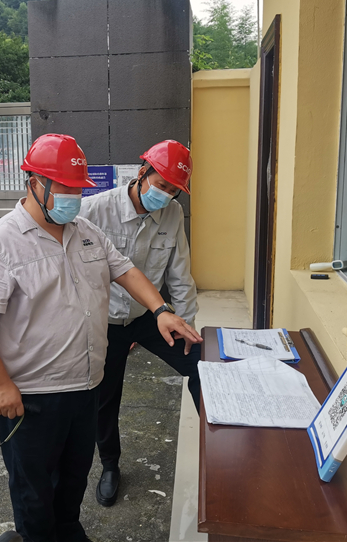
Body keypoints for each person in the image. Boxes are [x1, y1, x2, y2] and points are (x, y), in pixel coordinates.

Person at [0, 134, 202, 542]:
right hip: (33, 396)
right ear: (34, 183)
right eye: (65, 188)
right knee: (34, 492)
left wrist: (161, 311)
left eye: (77, 188)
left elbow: (127, 271)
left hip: (84, 385)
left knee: (73, 478)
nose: (73, 197)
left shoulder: (85, 231)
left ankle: (69, 529)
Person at [78, 139, 200, 507]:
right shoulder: (95, 210)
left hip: (151, 316)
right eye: (161, 185)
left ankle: (219, 447)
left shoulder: (173, 214)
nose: (166, 195)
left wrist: (186, 324)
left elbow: (180, 274)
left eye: (174, 190)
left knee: (201, 365)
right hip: (106, 323)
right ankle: (110, 465)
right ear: (142, 173)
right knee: (105, 399)